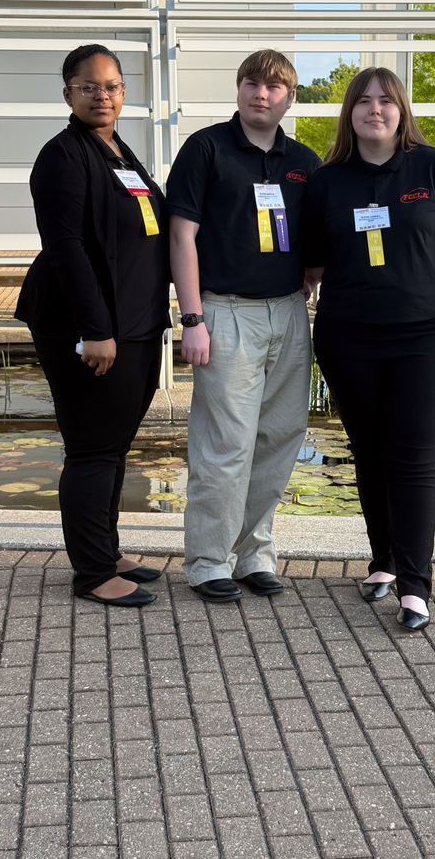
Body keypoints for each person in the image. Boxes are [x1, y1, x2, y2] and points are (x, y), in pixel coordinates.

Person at [303, 67, 435, 631]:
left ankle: (414, 584)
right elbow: (308, 263)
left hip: (425, 338)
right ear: (349, 113)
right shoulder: (328, 181)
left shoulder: (434, 168)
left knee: (412, 458)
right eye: (363, 101)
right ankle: (382, 562)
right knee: (369, 452)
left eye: (385, 101)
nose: (374, 110)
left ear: (402, 110)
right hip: (347, 337)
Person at [15, 44, 169, 608]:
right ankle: (92, 573)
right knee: (91, 448)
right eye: (89, 86)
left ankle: (106, 549)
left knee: (114, 445)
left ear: (123, 93)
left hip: (132, 322)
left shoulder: (119, 152)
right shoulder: (62, 156)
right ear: (68, 95)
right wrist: (95, 330)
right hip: (88, 327)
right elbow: (67, 249)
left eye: (111, 86)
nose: (101, 95)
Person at [167, 50, 321, 602]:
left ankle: (255, 552)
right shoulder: (206, 149)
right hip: (225, 312)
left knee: (279, 437)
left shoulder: (303, 162)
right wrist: (192, 318)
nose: (263, 94)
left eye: (275, 87)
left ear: (290, 97)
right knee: (225, 443)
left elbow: (317, 232)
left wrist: (313, 273)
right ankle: (208, 559)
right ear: (238, 89)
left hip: (288, 312)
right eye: (252, 84)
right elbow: (181, 237)